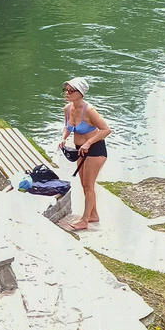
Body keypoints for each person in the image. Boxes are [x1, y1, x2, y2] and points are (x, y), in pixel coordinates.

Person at [57, 75, 110, 232]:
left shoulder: (90, 111)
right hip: (79, 149)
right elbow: (67, 126)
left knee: (88, 186)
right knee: (84, 184)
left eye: (71, 90)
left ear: (80, 93)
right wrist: (63, 138)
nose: (67, 92)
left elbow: (106, 130)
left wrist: (88, 142)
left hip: (95, 150)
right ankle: (93, 214)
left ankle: (85, 220)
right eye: (65, 90)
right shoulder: (68, 109)